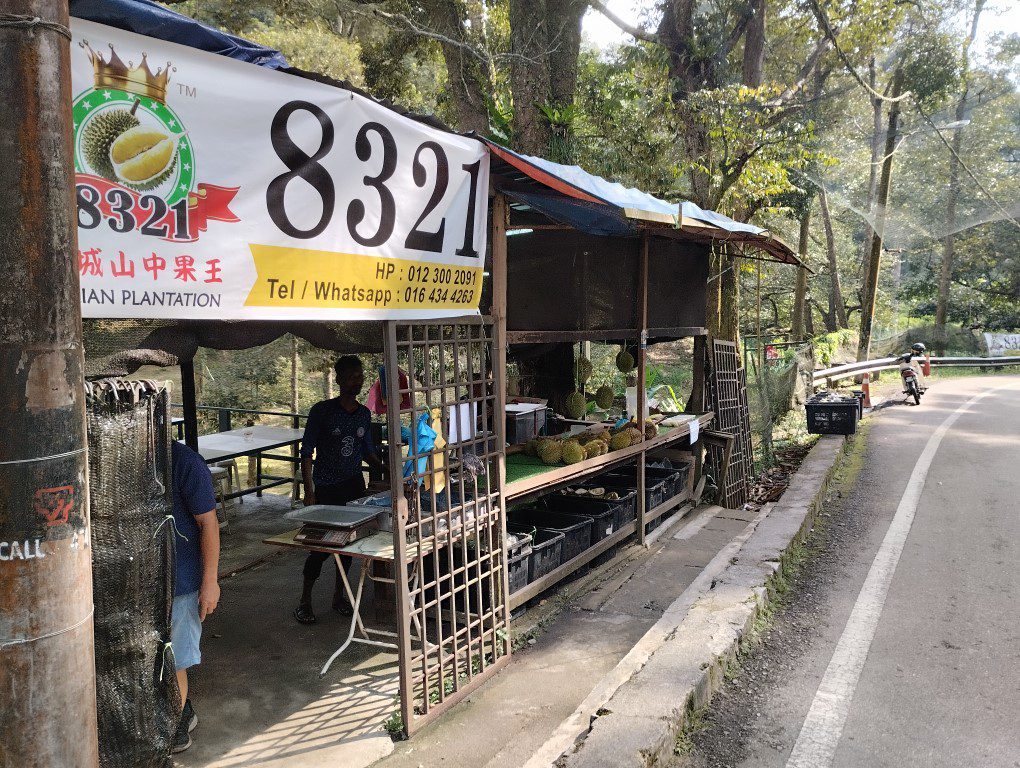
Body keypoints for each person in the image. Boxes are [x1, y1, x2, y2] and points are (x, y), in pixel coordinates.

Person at [295, 355, 384, 625]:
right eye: (351, 376)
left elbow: (367, 451)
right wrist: (310, 492)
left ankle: (338, 597)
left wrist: (388, 469)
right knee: (320, 548)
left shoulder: (363, 414)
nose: (356, 380)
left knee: (347, 546)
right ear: (339, 379)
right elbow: (307, 452)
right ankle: (304, 601)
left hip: (353, 487)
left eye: (359, 376)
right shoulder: (322, 411)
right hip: (326, 488)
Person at [169, 440, 221, 754]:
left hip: (181, 580)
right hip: (137, 583)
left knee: (177, 661)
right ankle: (178, 710)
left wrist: (209, 582)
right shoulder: (122, 455)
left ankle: (174, 725)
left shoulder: (185, 461)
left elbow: (208, 523)